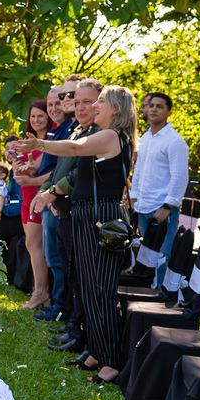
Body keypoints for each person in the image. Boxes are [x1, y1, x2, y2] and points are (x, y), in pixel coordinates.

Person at [18, 84, 137, 384]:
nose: (94, 106)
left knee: (101, 292)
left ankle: (112, 361)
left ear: (117, 110)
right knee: (88, 287)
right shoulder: (103, 134)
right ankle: (96, 350)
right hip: (87, 216)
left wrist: (39, 145)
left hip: (102, 218)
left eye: (100, 102)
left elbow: (74, 149)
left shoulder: (112, 136)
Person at [31, 78, 101, 354]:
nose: (75, 104)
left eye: (85, 101)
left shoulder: (97, 133)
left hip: (80, 210)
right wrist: (46, 190)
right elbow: (61, 167)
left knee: (78, 273)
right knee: (68, 269)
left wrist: (54, 192)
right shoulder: (74, 131)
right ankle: (72, 324)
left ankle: (78, 330)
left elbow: (80, 173)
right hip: (63, 209)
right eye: (73, 98)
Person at [129, 92, 189, 286]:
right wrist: (134, 198)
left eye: (160, 106)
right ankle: (148, 293)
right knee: (146, 256)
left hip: (163, 210)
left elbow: (180, 177)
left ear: (169, 112)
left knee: (163, 255)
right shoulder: (146, 138)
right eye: (151, 105)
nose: (154, 109)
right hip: (144, 207)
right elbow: (138, 170)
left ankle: (164, 297)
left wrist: (168, 206)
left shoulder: (175, 141)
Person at [14, 100, 50, 308]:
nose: (36, 120)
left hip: (39, 194)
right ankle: (41, 292)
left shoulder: (51, 141)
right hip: (25, 196)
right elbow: (21, 169)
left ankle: (40, 293)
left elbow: (39, 170)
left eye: (40, 116)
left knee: (36, 245)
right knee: (31, 244)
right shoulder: (25, 141)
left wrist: (29, 170)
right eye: (33, 116)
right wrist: (16, 165)